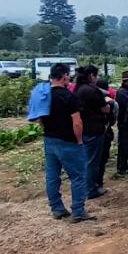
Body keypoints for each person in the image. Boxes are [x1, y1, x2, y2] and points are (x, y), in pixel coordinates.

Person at [40, 63, 93, 223]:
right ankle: (78, 210)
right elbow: (77, 122)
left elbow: (40, 118)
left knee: (52, 176)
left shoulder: (45, 95)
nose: (69, 78)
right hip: (68, 142)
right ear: (63, 76)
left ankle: (57, 208)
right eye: (68, 75)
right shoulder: (68, 96)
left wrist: (48, 129)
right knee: (78, 176)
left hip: (49, 140)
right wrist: (78, 140)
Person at [75, 65, 110, 200]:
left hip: (83, 129)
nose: (98, 78)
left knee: (85, 160)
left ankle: (86, 187)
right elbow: (105, 109)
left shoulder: (77, 89)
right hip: (94, 130)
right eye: (97, 75)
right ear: (91, 76)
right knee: (92, 161)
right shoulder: (92, 91)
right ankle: (90, 189)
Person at [96, 77, 118, 191]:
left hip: (90, 133)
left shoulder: (89, 97)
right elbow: (114, 119)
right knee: (102, 160)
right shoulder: (110, 101)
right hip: (105, 132)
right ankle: (98, 183)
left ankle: (90, 183)